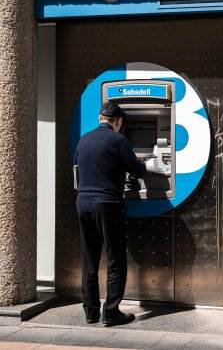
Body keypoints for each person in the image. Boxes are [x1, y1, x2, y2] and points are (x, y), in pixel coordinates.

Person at [74, 101, 146, 327]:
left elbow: (80, 169)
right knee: (116, 259)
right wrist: (144, 164)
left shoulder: (84, 140)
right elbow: (137, 170)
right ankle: (111, 313)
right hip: (108, 206)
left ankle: (91, 312)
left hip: (83, 204)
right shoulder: (118, 140)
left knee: (90, 260)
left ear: (100, 118)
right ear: (119, 121)